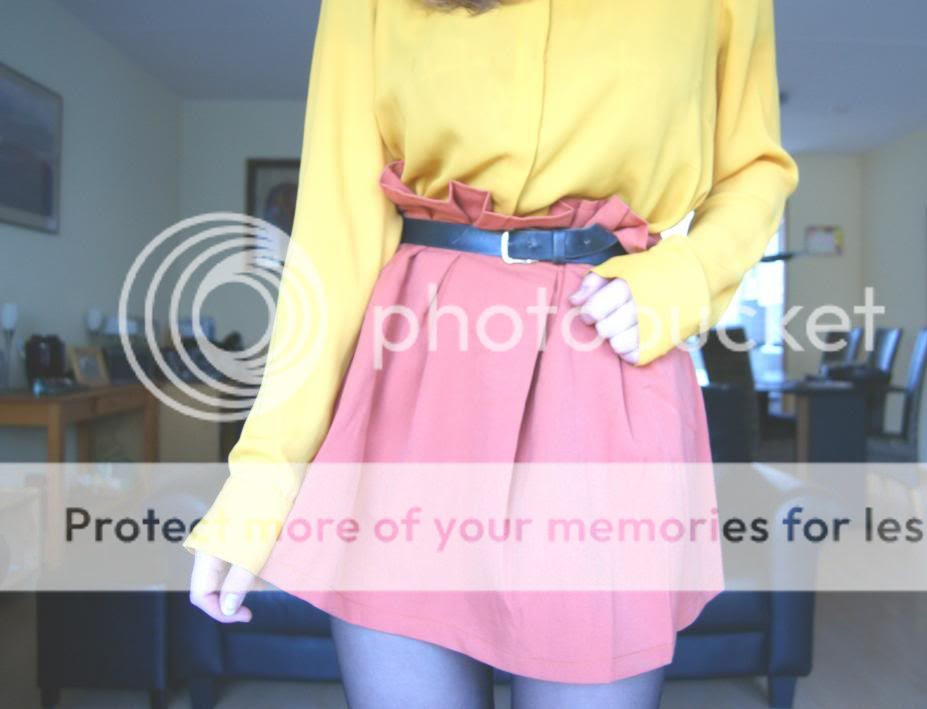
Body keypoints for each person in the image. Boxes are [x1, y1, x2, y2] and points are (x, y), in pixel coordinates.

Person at [183, 0, 799, 706]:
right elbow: (336, 228)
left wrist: (686, 279)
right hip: (417, 380)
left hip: (603, 366)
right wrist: (263, 482)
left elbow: (755, 168)